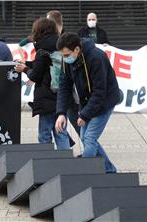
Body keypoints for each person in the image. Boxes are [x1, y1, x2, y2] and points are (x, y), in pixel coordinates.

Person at [55, 32, 120, 173]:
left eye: (66, 55)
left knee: (89, 137)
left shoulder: (96, 58)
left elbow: (99, 92)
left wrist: (84, 115)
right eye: (62, 55)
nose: (64, 58)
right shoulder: (67, 61)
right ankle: (110, 171)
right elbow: (64, 87)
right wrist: (61, 113)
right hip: (87, 101)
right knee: (85, 137)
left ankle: (86, 172)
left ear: (77, 49)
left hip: (105, 101)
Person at [22, 18, 71, 149]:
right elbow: (45, 66)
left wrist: (25, 69)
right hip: (61, 95)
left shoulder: (41, 50)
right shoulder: (61, 46)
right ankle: (66, 163)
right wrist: (28, 63)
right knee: (61, 132)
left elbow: (36, 75)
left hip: (46, 97)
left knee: (44, 134)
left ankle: (47, 164)